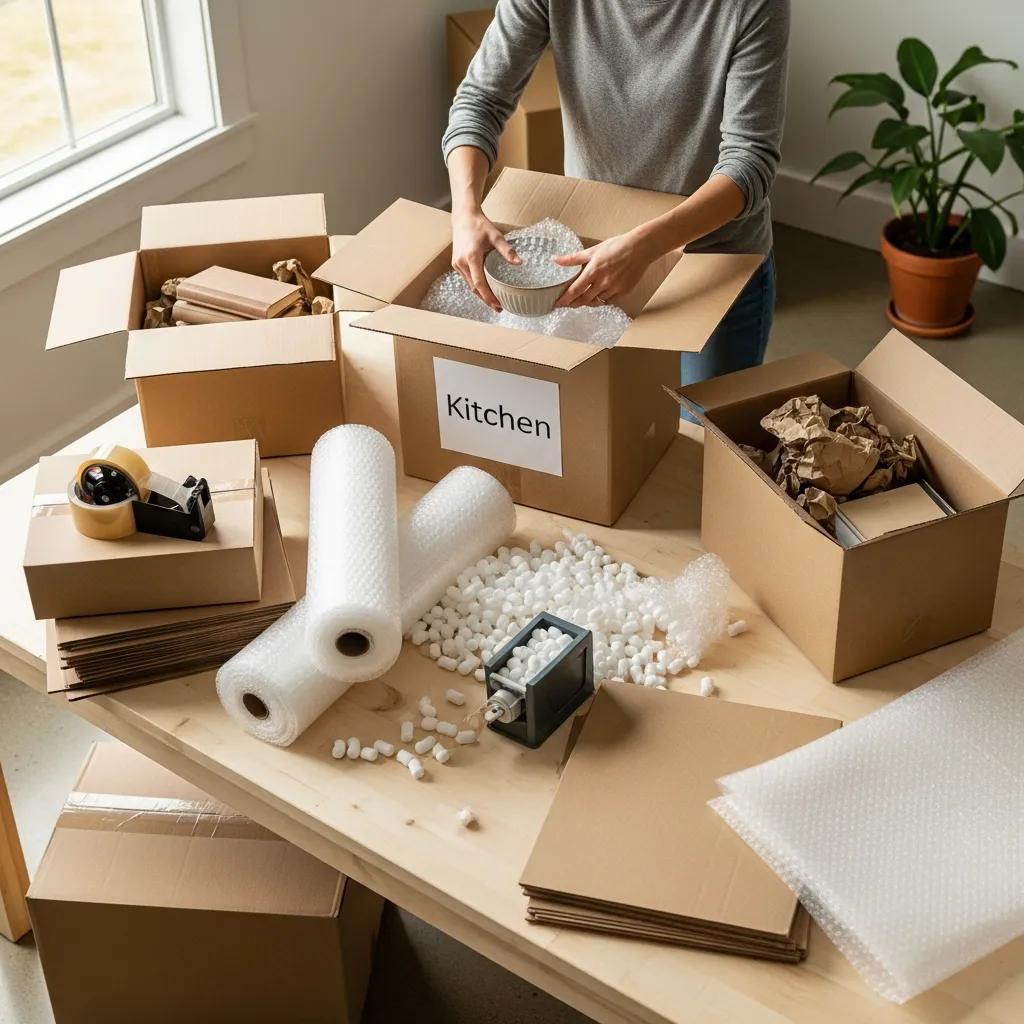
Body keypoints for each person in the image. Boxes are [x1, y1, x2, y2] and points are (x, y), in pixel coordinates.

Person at [443, 0, 788, 397]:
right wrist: (465, 212)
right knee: (601, 419)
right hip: (594, 256)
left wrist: (646, 247)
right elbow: (480, 100)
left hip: (712, 261)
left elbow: (750, 161)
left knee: (703, 424)